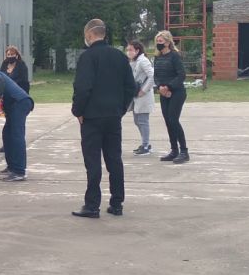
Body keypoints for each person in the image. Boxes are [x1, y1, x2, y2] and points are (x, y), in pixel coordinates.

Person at [70, 18, 137, 218]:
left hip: (92, 116)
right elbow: (130, 87)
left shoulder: (88, 57)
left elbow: (83, 88)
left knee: (93, 161)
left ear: (89, 35)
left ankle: (92, 205)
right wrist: (121, 108)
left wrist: (78, 111)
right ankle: (117, 203)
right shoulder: (119, 57)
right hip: (113, 115)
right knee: (114, 159)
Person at [0, 68, 34, 182]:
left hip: (20, 102)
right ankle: (12, 166)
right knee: (7, 134)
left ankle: (20, 171)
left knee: (16, 136)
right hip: (14, 104)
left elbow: (0, 82)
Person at [153, 30, 190, 164]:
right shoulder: (157, 57)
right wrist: (160, 87)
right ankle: (174, 150)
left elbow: (181, 75)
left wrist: (168, 87)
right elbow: (155, 75)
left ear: (168, 42)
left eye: (161, 41)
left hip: (177, 92)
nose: (159, 44)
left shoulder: (174, 56)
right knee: (168, 121)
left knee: (173, 120)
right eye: (157, 41)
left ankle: (184, 151)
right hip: (164, 92)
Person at [0, 46, 30, 154]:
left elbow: (23, 81)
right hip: (7, 98)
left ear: (16, 55)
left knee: (17, 123)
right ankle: (6, 144)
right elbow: (0, 77)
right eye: (8, 55)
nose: (10, 57)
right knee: (8, 122)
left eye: (12, 54)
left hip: (18, 97)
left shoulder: (21, 66)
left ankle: (16, 144)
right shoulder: (4, 64)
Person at [126, 40, 155, 156]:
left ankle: (146, 145)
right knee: (137, 120)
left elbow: (152, 75)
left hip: (143, 96)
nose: (128, 52)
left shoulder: (143, 61)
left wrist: (144, 90)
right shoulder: (134, 61)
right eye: (127, 50)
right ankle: (145, 143)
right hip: (136, 95)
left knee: (142, 121)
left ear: (137, 50)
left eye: (130, 50)